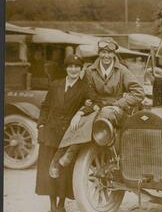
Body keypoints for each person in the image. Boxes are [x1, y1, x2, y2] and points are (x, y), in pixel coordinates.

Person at [55, 38, 145, 168]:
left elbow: (139, 92)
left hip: (116, 110)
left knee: (104, 114)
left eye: (109, 53)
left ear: (114, 54)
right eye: (103, 52)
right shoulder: (90, 71)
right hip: (96, 107)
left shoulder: (122, 71)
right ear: (99, 53)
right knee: (78, 120)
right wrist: (81, 112)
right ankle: (61, 154)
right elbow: (86, 94)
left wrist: (119, 104)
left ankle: (71, 152)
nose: (106, 56)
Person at [35, 54, 97, 212]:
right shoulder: (55, 85)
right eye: (70, 67)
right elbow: (45, 106)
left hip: (68, 135)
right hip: (50, 133)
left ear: (81, 69)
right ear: (66, 68)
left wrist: (80, 112)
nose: (73, 70)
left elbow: (92, 103)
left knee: (63, 172)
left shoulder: (84, 87)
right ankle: (52, 207)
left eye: (77, 67)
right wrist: (41, 125)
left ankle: (61, 207)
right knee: (48, 171)